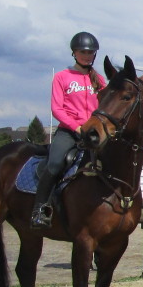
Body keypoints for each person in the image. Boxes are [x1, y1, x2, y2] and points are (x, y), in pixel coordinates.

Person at [31, 31, 107, 228]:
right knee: (55, 164)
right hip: (68, 131)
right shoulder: (62, 77)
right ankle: (41, 210)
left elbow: (105, 106)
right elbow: (57, 108)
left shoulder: (98, 79)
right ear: (74, 53)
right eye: (82, 51)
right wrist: (77, 127)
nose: (86, 55)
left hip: (93, 132)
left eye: (90, 52)